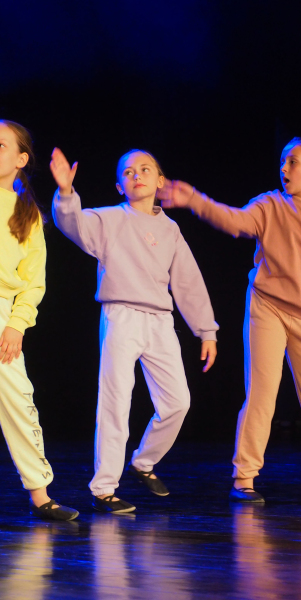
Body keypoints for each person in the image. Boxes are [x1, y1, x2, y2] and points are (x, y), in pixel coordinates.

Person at [157, 137, 301, 502]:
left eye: (293, 162)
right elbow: (234, 221)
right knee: (261, 395)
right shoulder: (270, 205)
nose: (284, 168)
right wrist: (194, 199)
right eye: (283, 161)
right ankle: (245, 477)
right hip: (268, 307)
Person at [51, 147, 219, 512]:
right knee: (116, 401)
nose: (136, 175)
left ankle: (144, 461)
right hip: (122, 315)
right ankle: (104, 488)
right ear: (119, 185)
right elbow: (72, 224)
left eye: (144, 169)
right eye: (128, 172)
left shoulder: (170, 229)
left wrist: (206, 330)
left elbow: (188, 281)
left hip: (160, 321)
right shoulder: (110, 219)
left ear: (160, 181)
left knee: (178, 402)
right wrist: (65, 192)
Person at [0, 120, 78, 520]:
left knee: (18, 399)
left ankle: (40, 494)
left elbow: (34, 281)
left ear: (20, 159)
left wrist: (17, 323)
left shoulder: (26, 214)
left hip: (2, 312)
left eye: (0, 145)